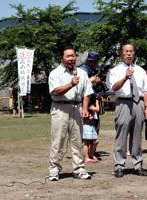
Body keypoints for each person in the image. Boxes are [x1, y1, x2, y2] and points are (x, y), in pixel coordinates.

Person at [48, 46, 93, 181]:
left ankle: (79, 169)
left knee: (77, 140)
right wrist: (71, 85)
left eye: (73, 56)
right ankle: (54, 170)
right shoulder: (55, 73)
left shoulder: (81, 73)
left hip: (76, 107)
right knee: (58, 140)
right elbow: (55, 91)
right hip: (60, 108)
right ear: (62, 58)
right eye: (68, 56)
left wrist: (85, 108)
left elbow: (87, 92)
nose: (71, 58)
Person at [109, 42, 147, 178]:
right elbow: (114, 88)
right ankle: (119, 166)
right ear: (121, 54)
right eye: (126, 51)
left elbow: (145, 90)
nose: (129, 54)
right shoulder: (115, 70)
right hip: (123, 103)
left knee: (137, 136)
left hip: (138, 103)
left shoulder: (140, 70)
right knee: (122, 135)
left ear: (134, 53)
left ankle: (138, 165)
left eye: (131, 51)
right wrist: (126, 77)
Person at [83, 93, 100, 163]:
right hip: (86, 124)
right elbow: (97, 109)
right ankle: (86, 158)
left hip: (91, 124)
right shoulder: (89, 106)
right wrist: (97, 102)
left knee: (96, 141)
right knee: (86, 142)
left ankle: (91, 155)